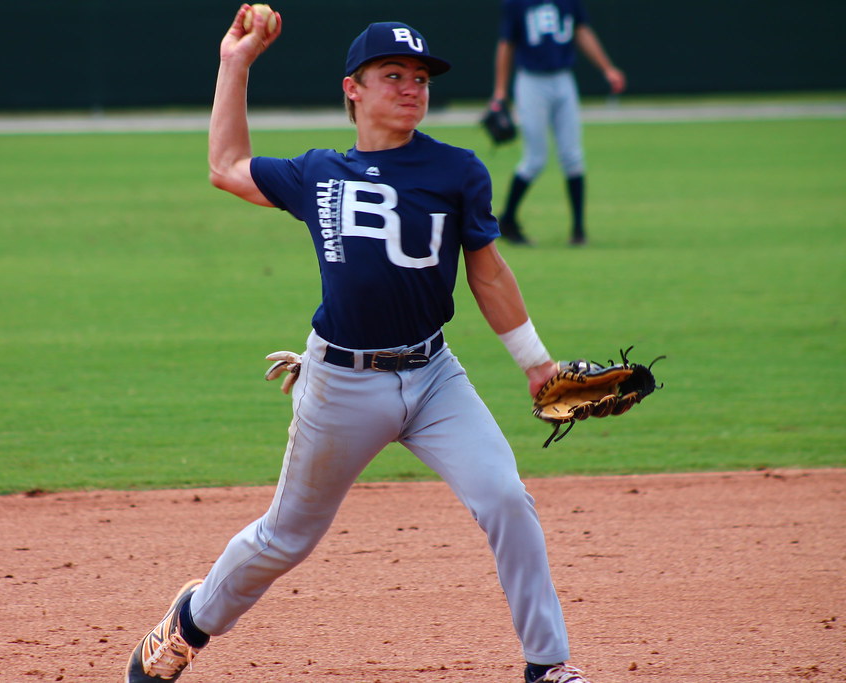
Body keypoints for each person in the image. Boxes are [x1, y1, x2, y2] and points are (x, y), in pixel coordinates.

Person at [126, 6, 594, 683]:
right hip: (341, 384)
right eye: (392, 74)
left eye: (420, 77)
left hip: (434, 377)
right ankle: (190, 621)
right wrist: (235, 63)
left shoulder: (457, 171)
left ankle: (546, 664)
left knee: (505, 498)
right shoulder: (319, 172)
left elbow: (488, 272)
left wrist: (536, 364)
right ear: (353, 88)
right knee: (286, 537)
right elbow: (225, 166)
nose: (411, 87)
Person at [491, 0, 626, 246]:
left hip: (563, 79)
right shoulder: (516, 3)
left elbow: (581, 30)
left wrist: (607, 68)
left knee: (573, 156)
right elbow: (506, 44)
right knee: (535, 159)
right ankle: (507, 219)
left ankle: (578, 231)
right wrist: (500, 91)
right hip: (531, 81)